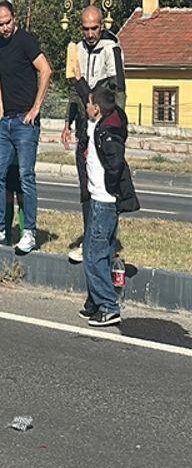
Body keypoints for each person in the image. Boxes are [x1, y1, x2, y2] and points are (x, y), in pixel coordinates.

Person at [0, 0, 53, 254]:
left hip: (25, 122)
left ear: (14, 18)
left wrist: (35, 108)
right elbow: (3, 74)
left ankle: (28, 231)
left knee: (26, 177)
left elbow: (46, 70)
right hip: (6, 121)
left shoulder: (26, 41)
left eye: (8, 22)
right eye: (0, 24)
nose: (5, 28)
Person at [62, 5, 127, 264]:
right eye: (86, 28)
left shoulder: (112, 49)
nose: (90, 33)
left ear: (102, 26)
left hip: (105, 129)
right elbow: (74, 93)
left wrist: (114, 130)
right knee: (86, 189)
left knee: (106, 189)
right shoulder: (76, 49)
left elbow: (117, 93)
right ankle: (90, 238)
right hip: (83, 127)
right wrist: (68, 122)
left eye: (95, 28)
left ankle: (105, 243)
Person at [79, 79, 139, 327]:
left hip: (105, 200)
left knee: (93, 255)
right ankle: (95, 301)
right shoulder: (101, 121)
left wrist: (111, 191)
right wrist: (78, 78)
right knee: (97, 251)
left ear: (96, 108)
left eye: (89, 103)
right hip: (97, 199)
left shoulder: (109, 130)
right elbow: (90, 94)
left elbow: (115, 163)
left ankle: (108, 305)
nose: (86, 105)